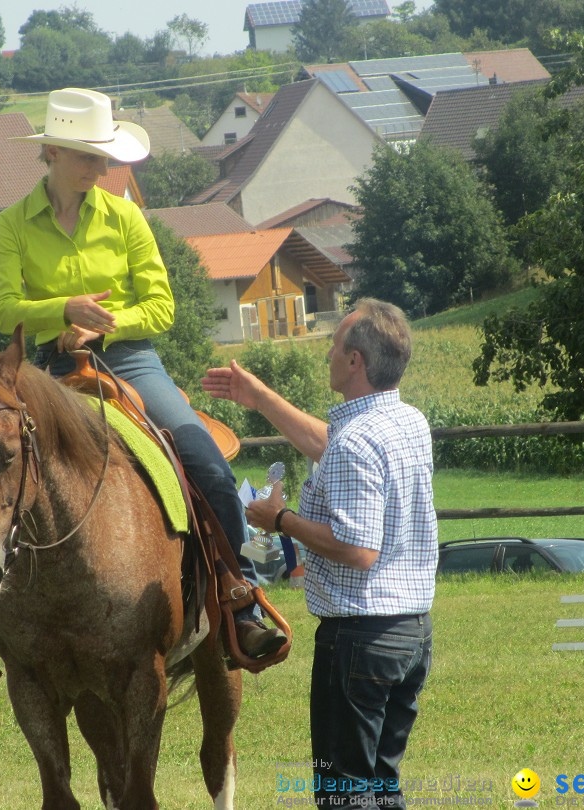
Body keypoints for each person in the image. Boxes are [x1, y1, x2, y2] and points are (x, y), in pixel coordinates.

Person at [0, 87, 285, 667]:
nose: (102, 167)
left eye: (105, 156)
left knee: (203, 457)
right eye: (89, 155)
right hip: (47, 371)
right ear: (53, 154)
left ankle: (240, 598)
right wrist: (63, 312)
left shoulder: (126, 216)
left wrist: (100, 329)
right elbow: (4, 308)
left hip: (132, 360)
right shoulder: (13, 225)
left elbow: (161, 307)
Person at [201, 299, 437, 809]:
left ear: (355, 361)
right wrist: (260, 396)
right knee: (381, 787)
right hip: (410, 635)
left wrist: (277, 521)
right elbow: (332, 442)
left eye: (334, 346)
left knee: (344, 797)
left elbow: (357, 550)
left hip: (359, 640)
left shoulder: (356, 443)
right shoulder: (407, 422)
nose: (327, 354)